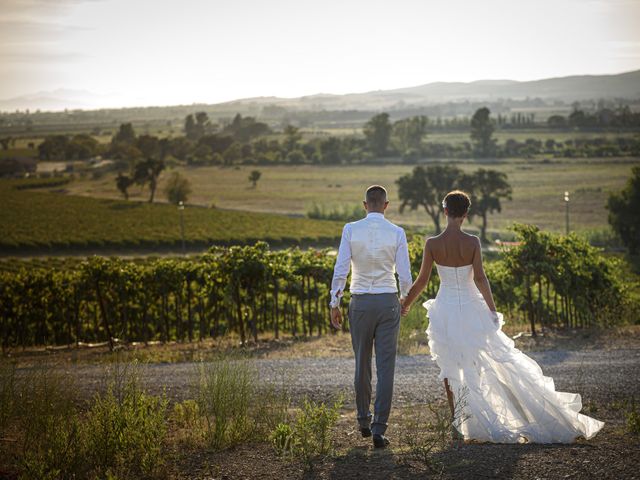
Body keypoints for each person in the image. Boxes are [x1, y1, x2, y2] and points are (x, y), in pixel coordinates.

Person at [401, 190, 604, 445]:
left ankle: (457, 421)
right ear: (465, 214)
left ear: (445, 212)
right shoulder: (473, 242)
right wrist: (492, 310)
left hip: (445, 309)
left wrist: (405, 303)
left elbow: (422, 281)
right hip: (472, 308)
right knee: (475, 364)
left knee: (449, 365)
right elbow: (480, 278)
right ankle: (478, 418)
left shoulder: (432, 244)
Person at [330, 185, 412, 448]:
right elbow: (405, 274)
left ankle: (363, 420)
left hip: (360, 301)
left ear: (365, 205)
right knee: (386, 366)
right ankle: (379, 429)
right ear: (386, 205)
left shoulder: (350, 229)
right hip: (388, 300)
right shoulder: (397, 232)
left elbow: (341, 267)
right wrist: (405, 299)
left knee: (361, 362)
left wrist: (335, 301)